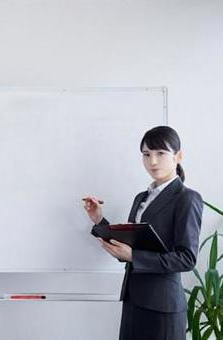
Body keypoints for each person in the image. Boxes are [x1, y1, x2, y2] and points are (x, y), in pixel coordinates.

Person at [83, 126, 202, 340]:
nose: (152, 161)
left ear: (178, 156)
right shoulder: (141, 198)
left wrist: (134, 256)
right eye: (146, 154)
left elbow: (187, 258)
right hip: (133, 300)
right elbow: (129, 244)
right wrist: (99, 220)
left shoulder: (187, 198)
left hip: (162, 307)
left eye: (160, 153)